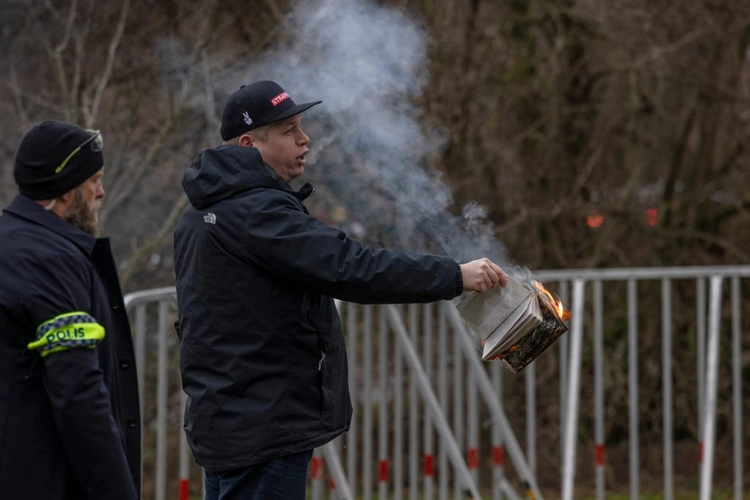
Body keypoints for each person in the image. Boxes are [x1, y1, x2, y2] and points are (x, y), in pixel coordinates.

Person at [172, 80, 507, 500]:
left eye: (300, 126)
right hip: (264, 425)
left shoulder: (201, 211)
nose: (304, 137)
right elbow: (352, 268)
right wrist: (455, 275)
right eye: (288, 130)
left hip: (227, 419)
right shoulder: (258, 212)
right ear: (247, 143)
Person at [0, 121, 141, 499]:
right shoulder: (49, 261)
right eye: (93, 180)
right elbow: (78, 392)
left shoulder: (10, 241)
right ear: (66, 191)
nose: (101, 192)